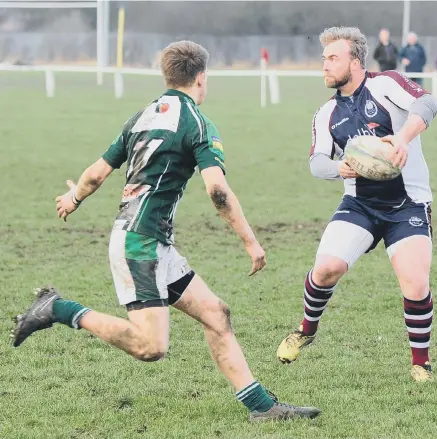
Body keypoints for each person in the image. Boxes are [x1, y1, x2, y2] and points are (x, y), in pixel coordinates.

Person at [11, 40, 320, 422]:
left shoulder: (141, 117)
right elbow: (218, 191)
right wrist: (250, 240)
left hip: (152, 243)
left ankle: (262, 408)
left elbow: (95, 174)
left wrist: (73, 197)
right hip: (140, 246)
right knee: (150, 347)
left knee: (216, 314)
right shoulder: (196, 123)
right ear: (202, 78)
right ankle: (59, 308)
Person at [276, 27, 437, 383]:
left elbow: (428, 103)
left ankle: (421, 363)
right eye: (324, 59)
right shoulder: (326, 112)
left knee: (414, 282)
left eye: (333, 58)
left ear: (356, 61)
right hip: (359, 204)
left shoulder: (386, 85)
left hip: (407, 205)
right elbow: (317, 163)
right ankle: (306, 330)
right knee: (326, 269)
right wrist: (340, 167)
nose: (325, 66)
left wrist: (403, 137)